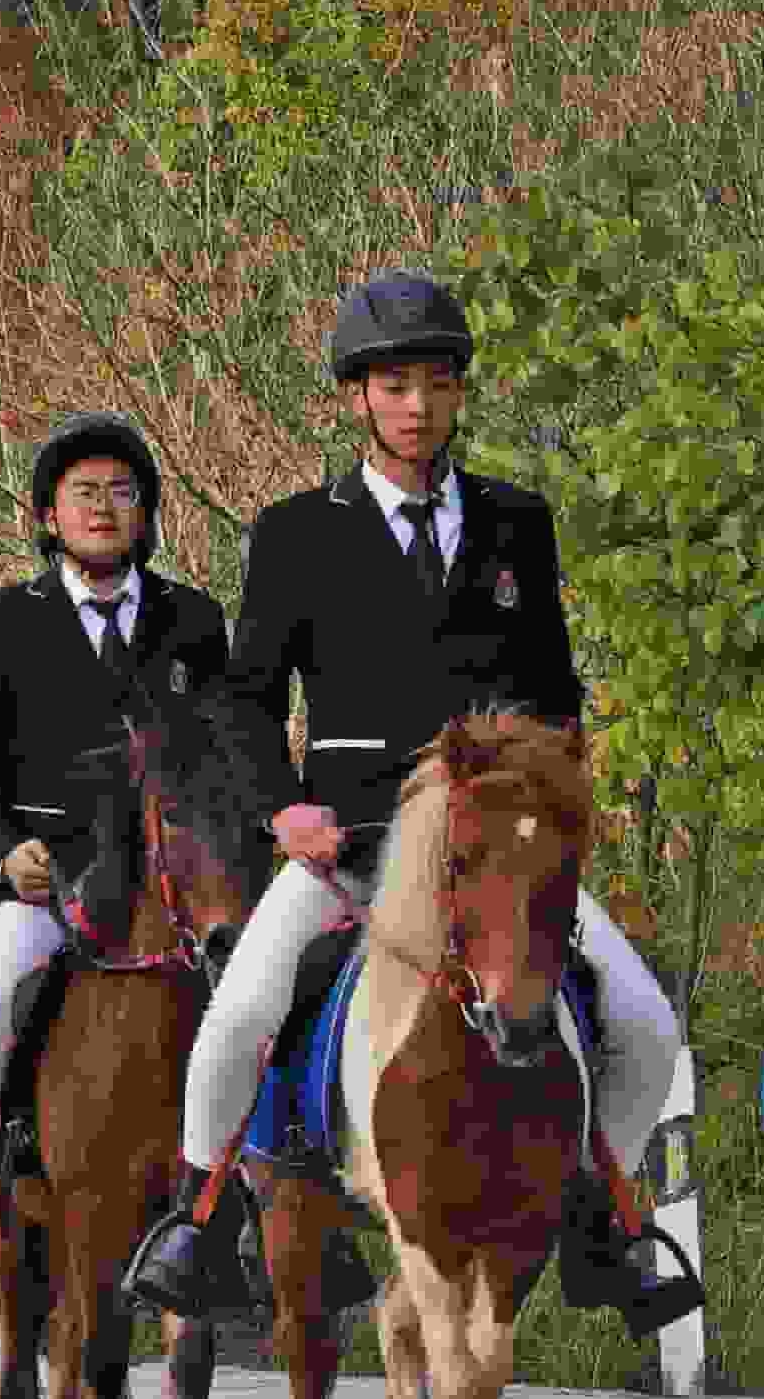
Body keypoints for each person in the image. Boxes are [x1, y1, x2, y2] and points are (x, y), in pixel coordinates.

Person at [123, 272, 699, 1332]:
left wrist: (552, 805)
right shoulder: (296, 532)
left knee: (643, 1021)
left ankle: (606, 1216)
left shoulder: (517, 522)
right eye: (396, 385)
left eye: (437, 383)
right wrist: (283, 812)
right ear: (359, 399)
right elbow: (249, 704)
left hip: (492, 855)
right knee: (242, 1012)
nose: (418, 405)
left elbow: (554, 695)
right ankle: (197, 1220)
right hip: (357, 846)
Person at [0, 415, 233, 1310]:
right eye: (84, 494)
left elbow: (230, 755)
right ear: (48, 515)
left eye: (122, 493)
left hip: (173, 884)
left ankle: (241, 1209)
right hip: (52, 879)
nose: (105, 509)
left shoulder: (195, 619)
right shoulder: (2, 624)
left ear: (144, 513)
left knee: (255, 996)